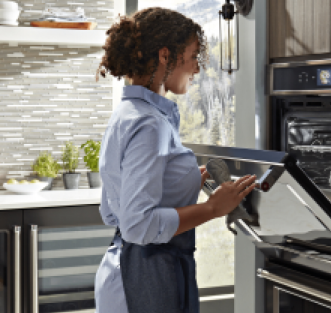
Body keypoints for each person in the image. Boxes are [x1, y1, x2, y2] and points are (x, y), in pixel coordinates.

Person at [94, 7, 257, 313]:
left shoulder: (127, 115)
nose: (197, 69)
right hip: (147, 278)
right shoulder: (150, 124)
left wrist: (188, 177)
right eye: (194, 56)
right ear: (165, 56)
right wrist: (212, 208)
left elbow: (112, 210)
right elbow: (138, 225)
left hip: (126, 270)